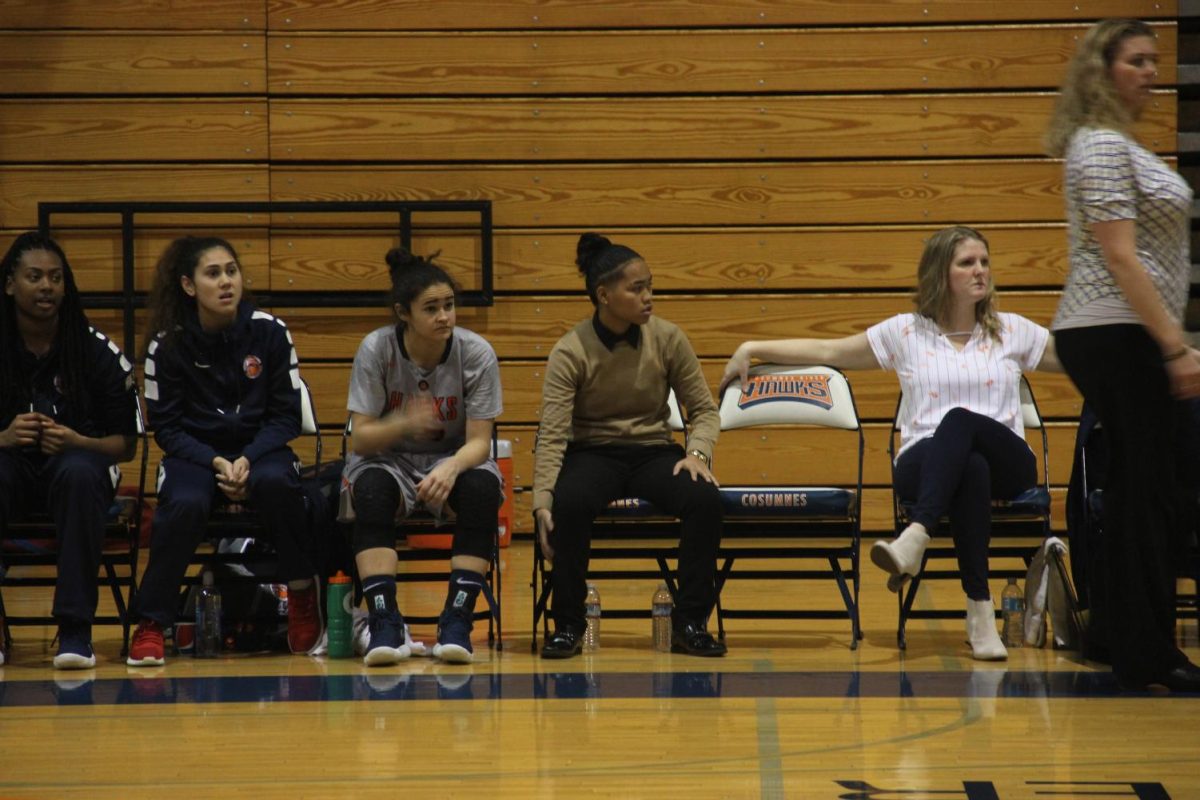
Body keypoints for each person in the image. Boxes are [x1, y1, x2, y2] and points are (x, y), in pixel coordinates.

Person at [722, 226, 1060, 661]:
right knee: (969, 467)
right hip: (926, 461)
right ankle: (980, 614)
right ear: (940, 272)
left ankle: (915, 536)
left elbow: (1081, 360)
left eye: (984, 261)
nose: (980, 271)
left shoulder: (1012, 331)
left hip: (1009, 463)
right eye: (967, 263)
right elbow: (829, 349)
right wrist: (752, 346)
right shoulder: (906, 333)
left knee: (960, 422)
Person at [1045, 18, 1200, 691]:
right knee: (1148, 491)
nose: (1151, 71)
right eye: (1135, 60)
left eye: (1153, 60)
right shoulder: (1101, 144)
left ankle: (1125, 636)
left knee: (1145, 489)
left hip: (1120, 330)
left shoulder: (1118, 145)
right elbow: (1117, 253)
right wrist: (1174, 343)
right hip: (1116, 329)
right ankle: (1147, 651)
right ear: (1101, 71)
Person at [125, 236, 321, 666]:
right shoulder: (167, 344)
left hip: (262, 450)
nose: (226, 281)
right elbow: (168, 429)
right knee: (185, 502)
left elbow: (286, 417)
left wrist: (248, 458)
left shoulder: (270, 331)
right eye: (213, 274)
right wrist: (216, 462)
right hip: (196, 455)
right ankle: (153, 622)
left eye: (231, 270)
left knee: (277, 483)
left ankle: (303, 594)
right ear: (189, 286)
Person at [534, 232, 726, 659]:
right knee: (569, 503)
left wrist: (696, 453)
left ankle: (690, 622)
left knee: (705, 500)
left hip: (654, 450)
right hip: (593, 452)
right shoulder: (570, 350)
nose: (648, 297)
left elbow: (705, 411)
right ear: (604, 295)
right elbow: (551, 433)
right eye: (636, 288)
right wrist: (542, 500)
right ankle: (567, 624)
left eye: (650, 286)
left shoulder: (669, 338)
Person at [340, 247, 503, 666]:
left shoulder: (477, 353)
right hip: (388, 461)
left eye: (449, 305)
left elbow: (480, 442)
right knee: (371, 490)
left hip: (454, 458)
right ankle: (384, 623)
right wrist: (403, 423)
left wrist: (451, 466)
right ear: (404, 313)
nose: (445, 316)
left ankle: (457, 621)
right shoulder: (376, 349)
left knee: (483, 490)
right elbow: (361, 438)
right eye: (431, 308)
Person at [0, 232, 138, 669]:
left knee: (79, 472)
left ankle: (76, 629)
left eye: (56, 278)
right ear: (9, 284)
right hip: (10, 468)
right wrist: (3, 436)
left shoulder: (95, 350)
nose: (46, 286)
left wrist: (77, 441)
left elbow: (127, 445)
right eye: (35, 276)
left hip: (78, 471)